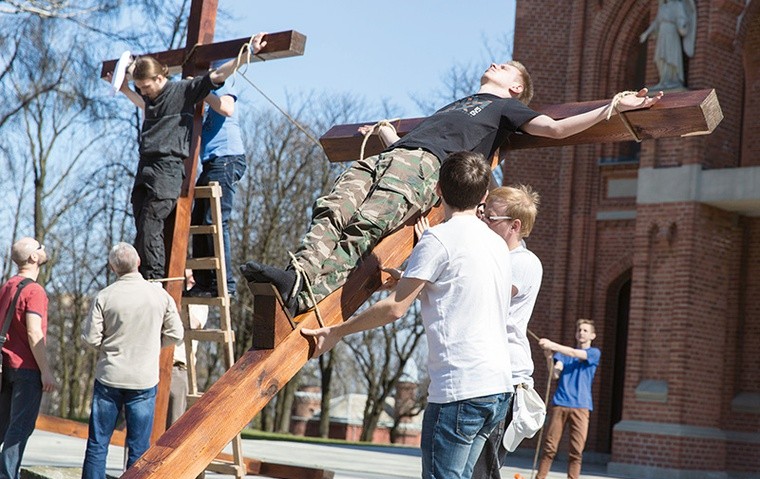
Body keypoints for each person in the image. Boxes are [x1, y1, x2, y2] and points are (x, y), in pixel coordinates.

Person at [240, 61, 662, 316]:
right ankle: (296, 276)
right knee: (331, 211)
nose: (496, 65)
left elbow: (554, 128)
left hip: (425, 170)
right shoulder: (455, 103)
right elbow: (423, 136)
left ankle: (307, 294)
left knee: (364, 227)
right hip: (388, 157)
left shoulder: (505, 108)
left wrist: (612, 107)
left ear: (516, 87)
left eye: (506, 68)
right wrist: (387, 135)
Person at [303, 151, 513, 479]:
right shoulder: (496, 244)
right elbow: (463, 284)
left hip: (460, 390)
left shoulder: (439, 240)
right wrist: (413, 275)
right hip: (498, 388)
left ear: (436, 189)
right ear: (483, 197)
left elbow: (395, 309)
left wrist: (337, 331)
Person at [111, 33, 265, 281]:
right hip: (146, 165)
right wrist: (126, 86)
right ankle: (143, 274)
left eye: (146, 87)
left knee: (152, 219)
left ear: (160, 77)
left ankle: (154, 278)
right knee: (140, 217)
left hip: (167, 168)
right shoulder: (150, 99)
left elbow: (217, 76)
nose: (145, 92)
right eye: (141, 89)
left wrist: (248, 54)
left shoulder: (182, 91)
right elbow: (142, 101)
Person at [72, 243, 183, 479]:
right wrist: (154, 345)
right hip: (143, 378)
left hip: (110, 375)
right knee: (139, 447)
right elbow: (177, 334)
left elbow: (90, 339)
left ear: (113, 267)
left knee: (98, 443)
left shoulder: (105, 296)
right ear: (139, 261)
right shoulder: (159, 296)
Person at [466, 186, 544, 479]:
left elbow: (479, 291)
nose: (480, 219)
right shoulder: (494, 256)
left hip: (504, 382)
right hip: (483, 377)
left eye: (488, 216)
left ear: (514, 226)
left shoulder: (522, 263)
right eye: (480, 211)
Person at [0, 238, 55, 479]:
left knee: (3, 425)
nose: (44, 248)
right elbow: (35, 332)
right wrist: (46, 371)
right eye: (40, 246)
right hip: (26, 368)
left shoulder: (7, 286)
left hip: (5, 365)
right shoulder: (35, 291)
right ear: (33, 258)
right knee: (19, 428)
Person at [186, 82, 247, 299]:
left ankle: (225, 285)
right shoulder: (198, 106)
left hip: (227, 160)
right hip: (211, 163)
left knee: (216, 221)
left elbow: (227, 107)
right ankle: (204, 283)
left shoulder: (221, 83)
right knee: (198, 221)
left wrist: (203, 89)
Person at [533, 319, 601, 479]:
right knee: (549, 448)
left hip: (581, 407)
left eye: (585, 330)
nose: (581, 333)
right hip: (560, 403)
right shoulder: (564, 356)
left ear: (592, 335)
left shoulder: (593, 353)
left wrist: (553, 345)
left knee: (576, 452)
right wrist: (548, 355)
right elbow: (554, 374)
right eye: (579, 330)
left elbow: (573, 353)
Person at [167, 272, 208, 429]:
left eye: (192, 277)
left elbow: (191, 323)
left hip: (178, 369)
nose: (190, 279)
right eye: (186, 276)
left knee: (173, 426)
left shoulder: (199, 303)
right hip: (155, 365)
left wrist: (176, 305)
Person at [639, 0, 696, 90]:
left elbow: (682, 18)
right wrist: (646, 33)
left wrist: (683, 25)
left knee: (671, 55)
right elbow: (656, 22)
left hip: (671, 32)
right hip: (662, 33)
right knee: (660, 58)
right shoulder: (663, 7)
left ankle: (673, 80)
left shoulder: (678, 5)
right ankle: (663, 81)